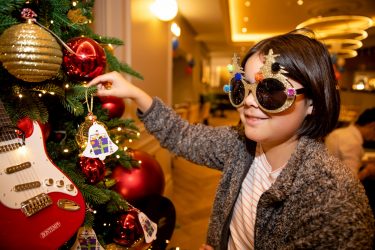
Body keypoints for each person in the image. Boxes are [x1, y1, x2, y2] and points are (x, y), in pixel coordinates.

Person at [88, 30, 375, 249]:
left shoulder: (333, 197)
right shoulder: (240, 146)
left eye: (270, 91)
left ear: (312, 102)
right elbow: (183, 136)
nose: (249, 102)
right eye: (242, 88)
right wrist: (136, 94)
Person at [325, 107, 375, 179]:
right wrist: (368, 171)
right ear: (372, 125)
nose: (374, 138)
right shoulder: (353, 142)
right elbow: (350, 181)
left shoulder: (338, 132)